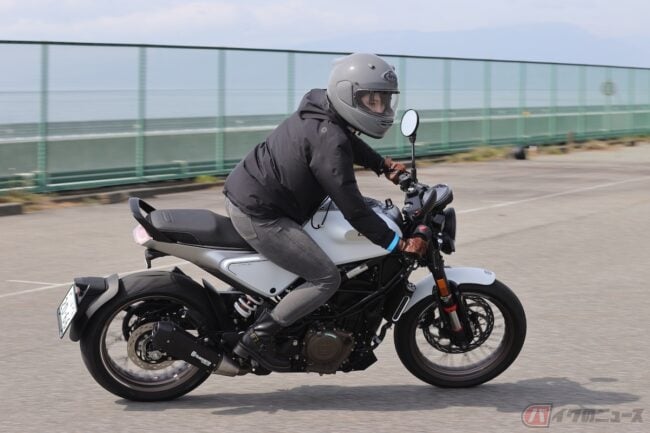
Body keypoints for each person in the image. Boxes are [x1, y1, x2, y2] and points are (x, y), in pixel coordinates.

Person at [223, 53, 428, 371]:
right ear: (348, 95)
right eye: (373, 101)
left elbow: (347, 140)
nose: (381, 109)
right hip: (261, 212)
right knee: (325, 278)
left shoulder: (322, 108)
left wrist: (382, 165)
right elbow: (354, 209)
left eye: (385, 101)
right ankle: (257, 339)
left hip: (259, 194)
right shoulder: (328, 141)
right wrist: (396, 243)